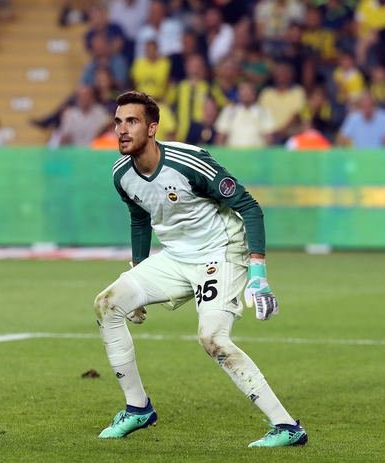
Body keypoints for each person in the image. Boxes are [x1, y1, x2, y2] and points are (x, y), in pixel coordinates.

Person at [95, 90, 307, 448]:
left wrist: (258, 275)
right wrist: (138, 273)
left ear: (152, 128)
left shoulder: (189, 161)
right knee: (107, 304)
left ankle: (287, 427)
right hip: (176, 257)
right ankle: (138, 408)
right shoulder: (122, 174)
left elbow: (250, 207)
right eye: (118, 122)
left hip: (220, 253)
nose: (122, 130)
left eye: (132, 121)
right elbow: (140, 219)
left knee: (213, 339)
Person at [215, 81, 274, 147]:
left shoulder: (263, 112)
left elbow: (269, 137)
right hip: (233, 151)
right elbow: (221, 135)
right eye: (243, 90)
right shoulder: (229, 111)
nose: (246, 93)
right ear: (238, 94)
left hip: (257, 151)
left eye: (248, 91)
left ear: (254, 94)